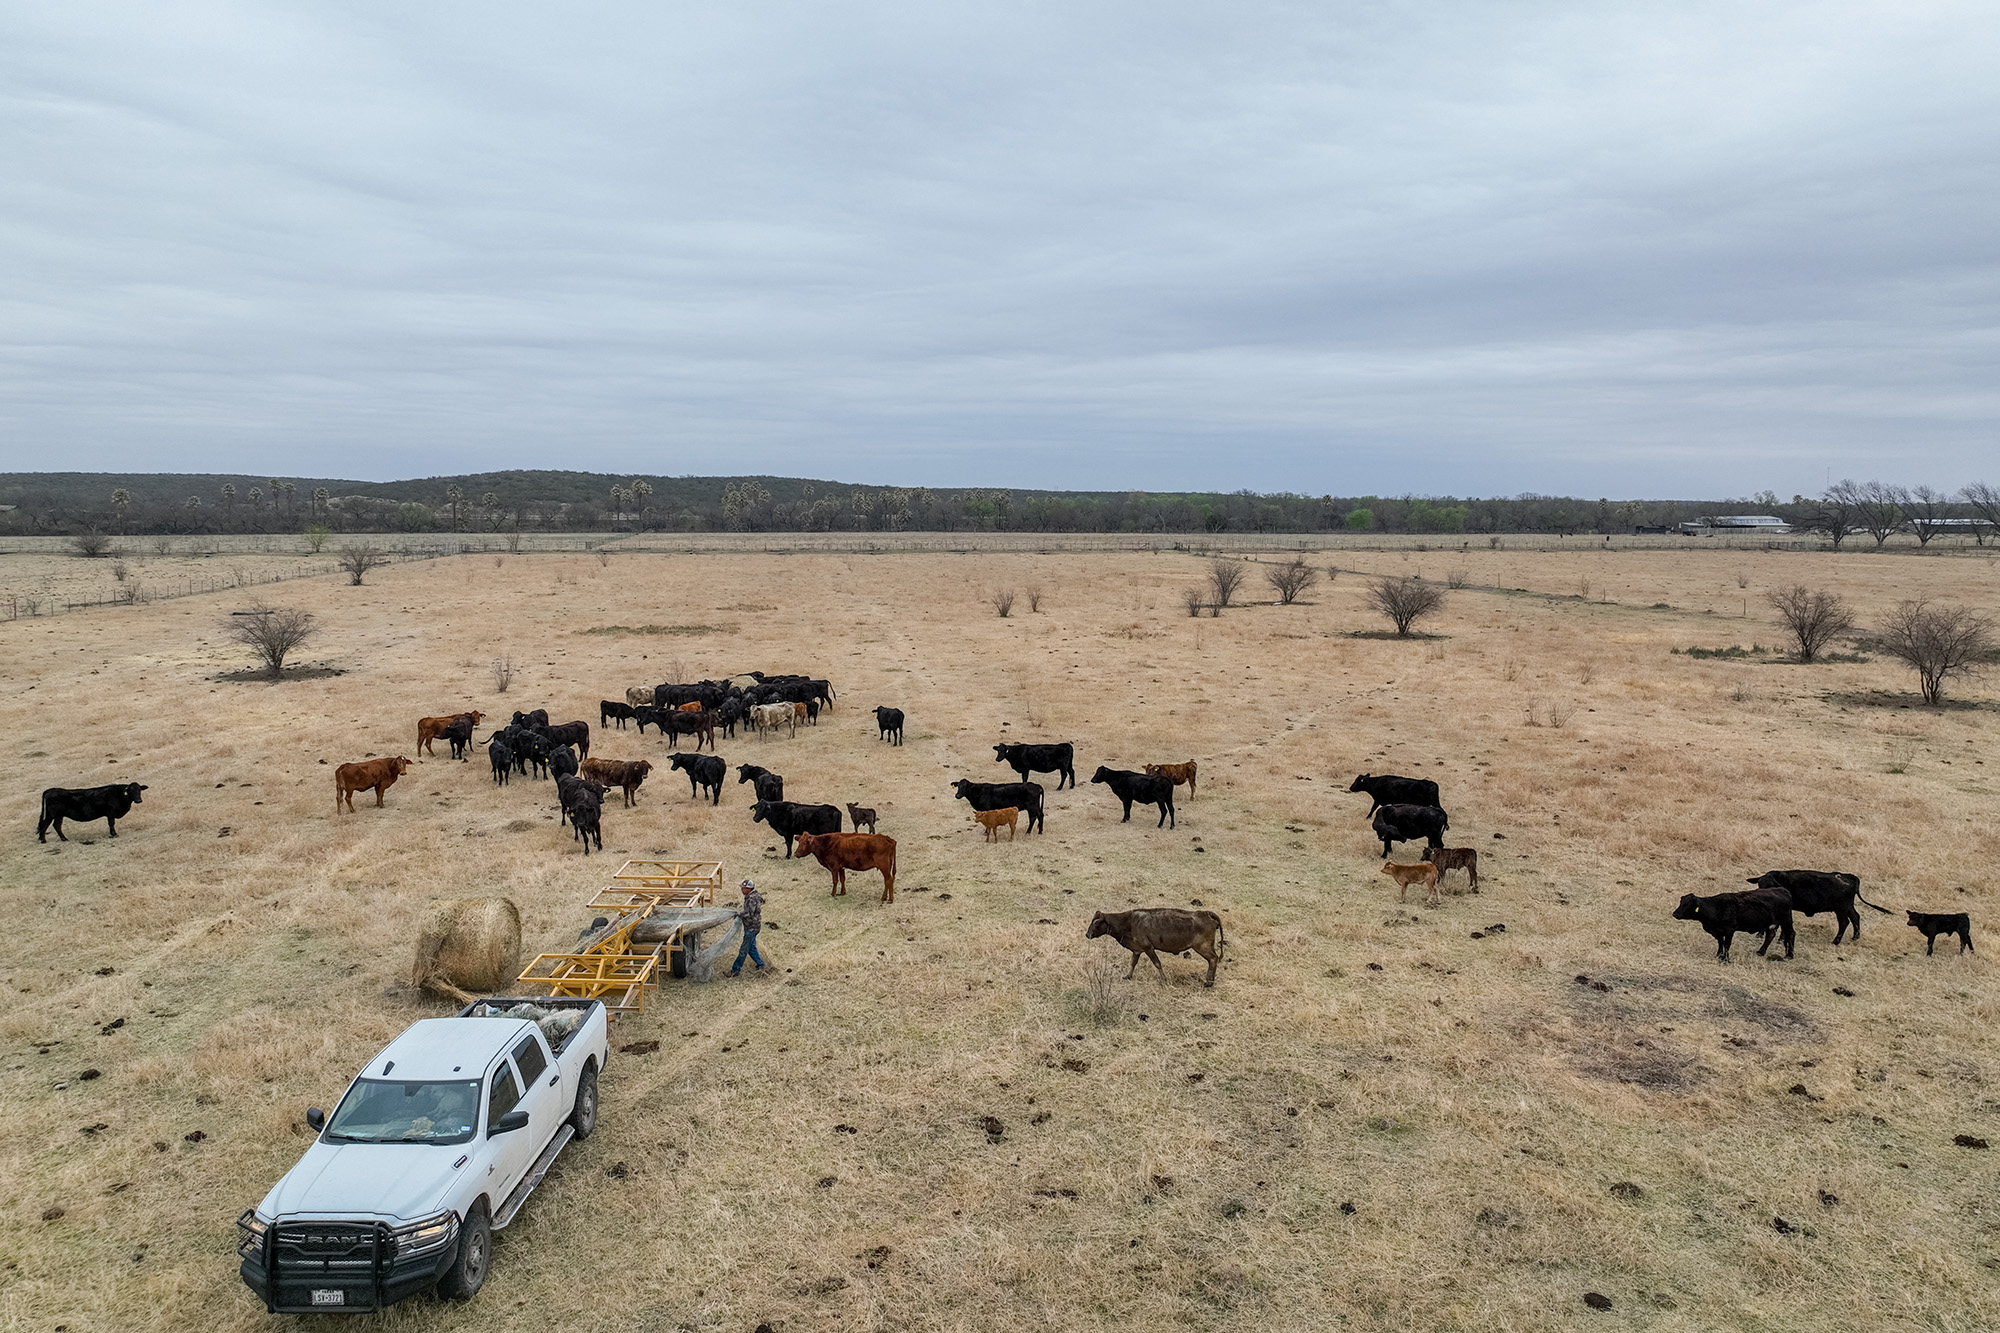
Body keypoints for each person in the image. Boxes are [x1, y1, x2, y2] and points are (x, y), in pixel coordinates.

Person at [729, 878, 765, 975]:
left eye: (743, 888)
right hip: (753, 926)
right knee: (751, 948)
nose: (742, 890)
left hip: (751, 927)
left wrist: (739, 914)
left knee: (743, 950)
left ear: (749, 889)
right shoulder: (754, 896)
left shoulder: (752, 899)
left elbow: (749, 913)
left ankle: (735, 970)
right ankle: (761, 965)